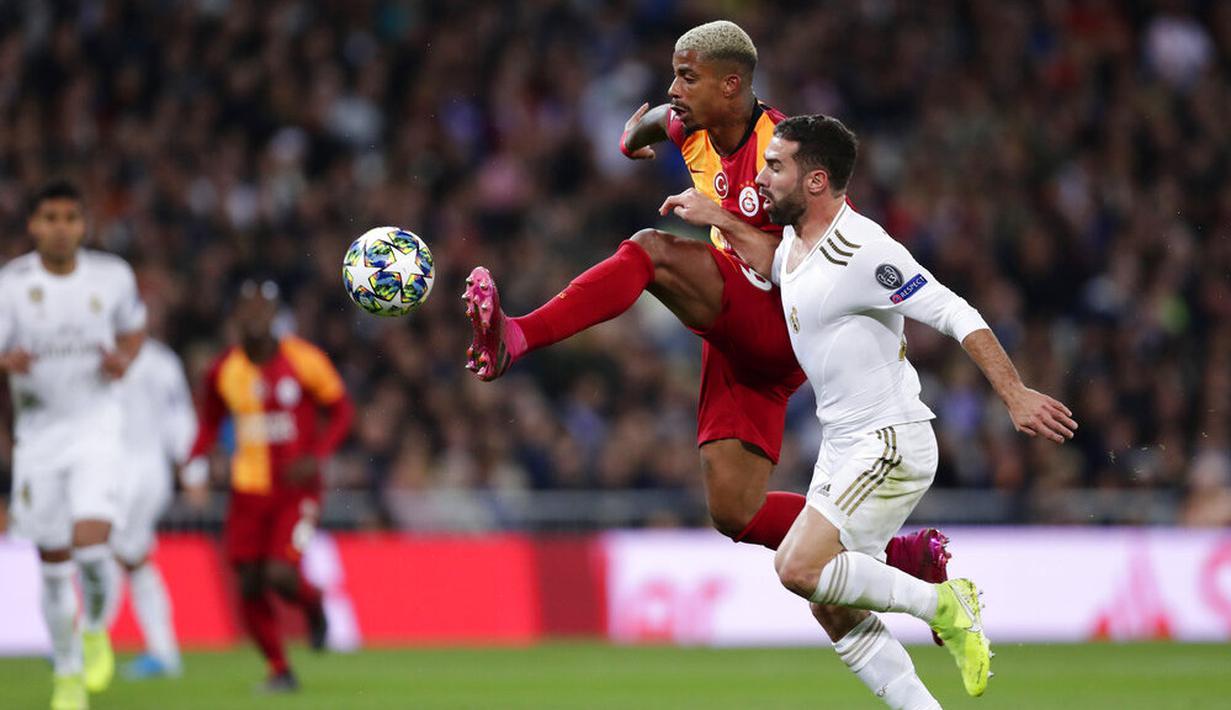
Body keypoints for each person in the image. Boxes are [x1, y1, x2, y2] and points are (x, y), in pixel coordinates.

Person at [462, 20, 950, 585]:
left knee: (652, 252)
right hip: (735, 336)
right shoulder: (689, 125)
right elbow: (652, 123)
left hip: (783, 318)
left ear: (731, 85)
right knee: (734, 510)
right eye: (674, 75)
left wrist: (720, 219)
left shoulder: (783, 153)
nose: (674, 89)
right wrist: (629, 142)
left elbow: (817, 265)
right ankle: (901, 556)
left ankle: (515, 336)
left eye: (688, 78)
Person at [660, 114, 1079, 705]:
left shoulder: (865, 250)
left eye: (776, 166)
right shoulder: (801, 246)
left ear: (815, 181)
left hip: (889, 441)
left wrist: (1014, 392)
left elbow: (954, 310)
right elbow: (772, 262)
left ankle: (942, 603)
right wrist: (719, 217)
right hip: (844, 447)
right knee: (828, 601)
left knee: (796, 567)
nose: (763, 176)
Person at [0, 180, 146, 710]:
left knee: (92, 549)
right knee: (55, 566)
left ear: (84, 225)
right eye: (49, 218)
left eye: (69, 218)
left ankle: (94, 630)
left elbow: (134, 330)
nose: (60, 228)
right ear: (34, 225)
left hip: (96, 430)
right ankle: (67, 675)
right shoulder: (11, 285)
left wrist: (124, 359)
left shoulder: (112, 277)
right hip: (38, 440)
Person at [182, 279, 354, 692]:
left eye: (263, 308)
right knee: (249, 583)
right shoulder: (224, 370)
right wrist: (195, 460)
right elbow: (209, 421)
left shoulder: (305, 360)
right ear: (236, 316)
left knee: (279, 573)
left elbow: (342, 411)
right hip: (248, 491)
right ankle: (280, 669)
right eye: (247, 308)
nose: (255, 316)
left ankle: (313, 608)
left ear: (275, 315)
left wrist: (318, 454)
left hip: (298, 490)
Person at [107, 337, 197, 678]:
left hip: (145, 473)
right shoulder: (102, 353)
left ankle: (86, 640)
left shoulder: (159, 361)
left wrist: (192, 468)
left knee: (111, 553)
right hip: (112, 471)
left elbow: (179, 414)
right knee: (135, 557)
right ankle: (163, 652)